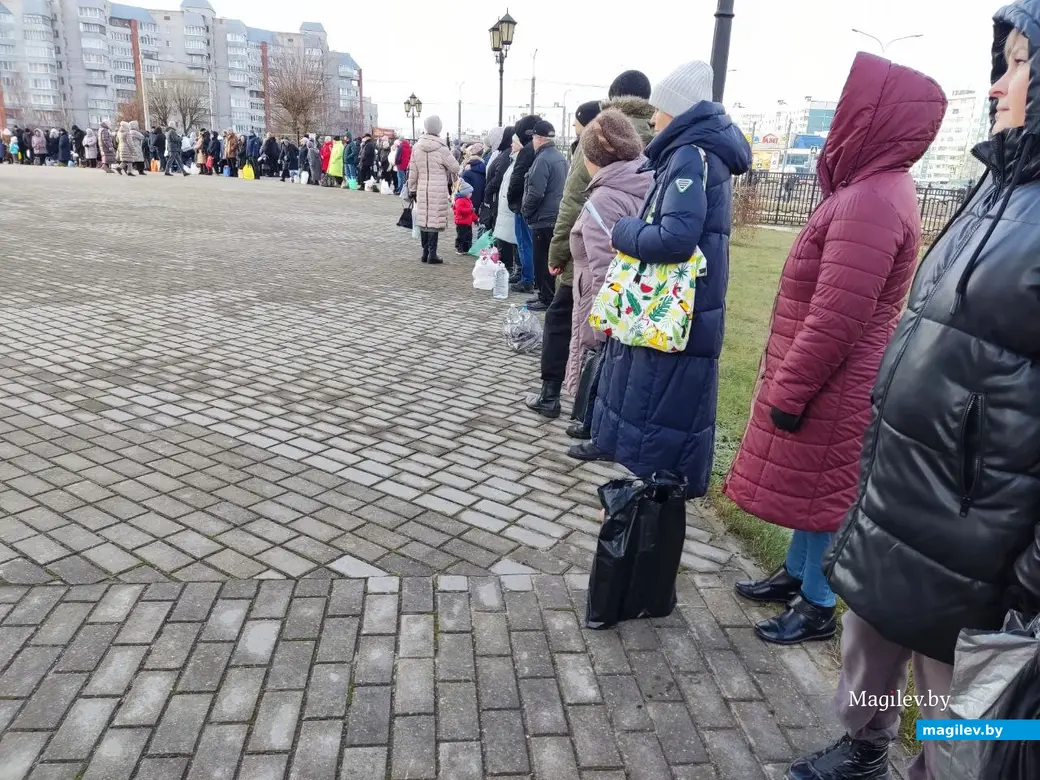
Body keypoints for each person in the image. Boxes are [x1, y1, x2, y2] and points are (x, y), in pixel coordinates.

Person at [786, 6, 1040, 778]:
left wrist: (1028, 580)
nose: (998, 83)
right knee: (868, 649)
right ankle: (864, 746)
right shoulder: (999, 184)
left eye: (1018, 62)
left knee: (965, 720)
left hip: (981, 539)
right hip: (905, 492)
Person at [722, 53, 946, 650]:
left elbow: (835, 319)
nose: (841, 117)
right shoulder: (871, 188)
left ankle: (819, 605)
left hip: (836, 380)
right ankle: (796, 576)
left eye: (852, 106)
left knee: (823, 494)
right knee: (810, 487)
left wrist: (789, 389)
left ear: (874, 117)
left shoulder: (871, 200)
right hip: (836, 377)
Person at [572, 61, 753, 496]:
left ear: (676, 110)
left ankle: (652, 505)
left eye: (659, 110)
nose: (653, 120)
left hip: (676, 306)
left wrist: (624, 232)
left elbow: (676, 237)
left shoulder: (691, 155)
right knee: (666, 408)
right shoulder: (698, 153)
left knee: (660, 405)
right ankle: (654, 495)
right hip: (690, 304)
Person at [562, 109, 652, 433]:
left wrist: (599, 327)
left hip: (599, 298)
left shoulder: (604, 198)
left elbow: (604, 269)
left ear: (593, 157)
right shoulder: (645, 181)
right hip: (635, 294)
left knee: (600, 357)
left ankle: (595, 425)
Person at [526, 100, 604, 419]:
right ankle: (594, 411)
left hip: (584, 260)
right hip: (627, 263)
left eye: (575, 124)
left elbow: (571, 204)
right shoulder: (652, 142)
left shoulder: (594, 144)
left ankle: (550, 394)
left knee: (560, 321)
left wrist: (557, 253)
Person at [520, 120, 568, 312]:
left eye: (533, 137)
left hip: (544, 217)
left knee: (542, 259)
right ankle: (545, 294)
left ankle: (546, 297)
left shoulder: (542, 159)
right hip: (555, 214)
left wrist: (526, 210)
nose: (532, 141)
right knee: (549, 258)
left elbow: (536, 192)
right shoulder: (559, 157)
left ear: (539, 138)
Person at [408, 115, 460, 264]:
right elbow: (455, 167)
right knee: (434, 220)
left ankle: (424, 253)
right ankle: (432, 253)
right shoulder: (442, 148)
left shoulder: (416, 147)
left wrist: (412, 188)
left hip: (422, 188)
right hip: (438, 189)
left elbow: (413, 171)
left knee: (424, 219)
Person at [506, 116, 541, 294]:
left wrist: (511, 199)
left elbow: (517, 178)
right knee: (532, 243)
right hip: (537, 205)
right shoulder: (540, 150)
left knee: (524, 243)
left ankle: (527, 279)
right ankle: (532, 277)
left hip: (522, 203)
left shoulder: (526, 151)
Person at [453, 181, 479, 253]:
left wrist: (475, 219)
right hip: (461, 222)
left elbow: (471, 213)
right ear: (465, 193)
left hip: (468, 223)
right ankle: (459, 248)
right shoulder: (460, 200)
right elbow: (459, 210)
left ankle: (467, 248)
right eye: (470, 193)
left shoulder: (468, 201)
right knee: (461, 236)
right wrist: (469, 210)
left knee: (468, 236)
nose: (471, 194)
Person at [461, 150, 486, 215]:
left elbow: (463, 189)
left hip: (469, 202)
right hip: (481, 200)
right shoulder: (484, 170)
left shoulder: (466, 173)